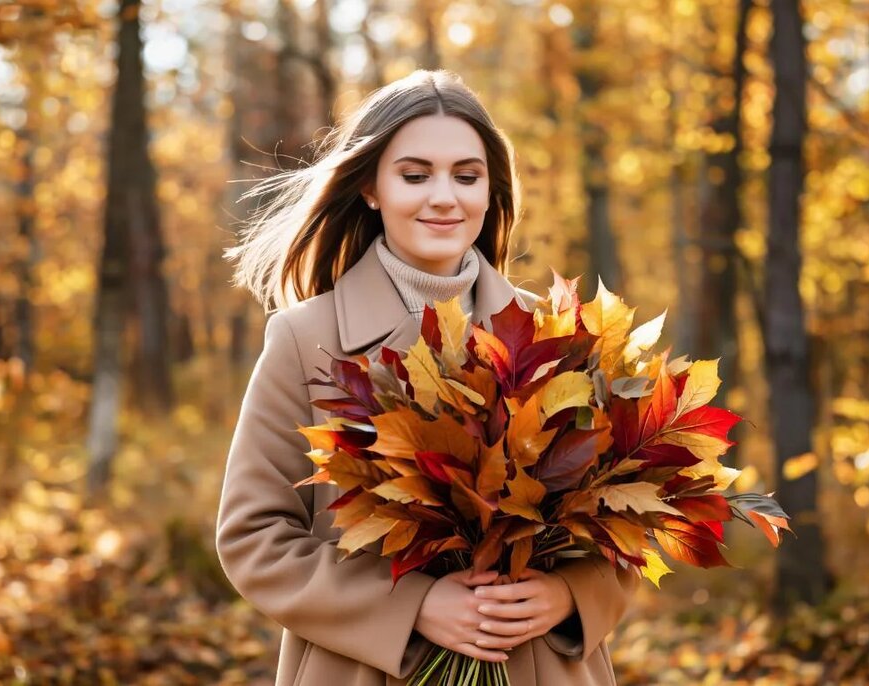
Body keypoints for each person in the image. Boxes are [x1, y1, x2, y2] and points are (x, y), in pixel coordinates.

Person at [215, 69, 639, 686]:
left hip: (538, 664)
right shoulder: (305, 339)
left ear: (492, 191)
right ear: (370, 188)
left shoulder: (556, 332)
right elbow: (254, 537)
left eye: (466, 176)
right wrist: (412, 607)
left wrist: (570, 596)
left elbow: (619, 518)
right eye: (415, 175)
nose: (445, 197)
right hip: (369, 669)